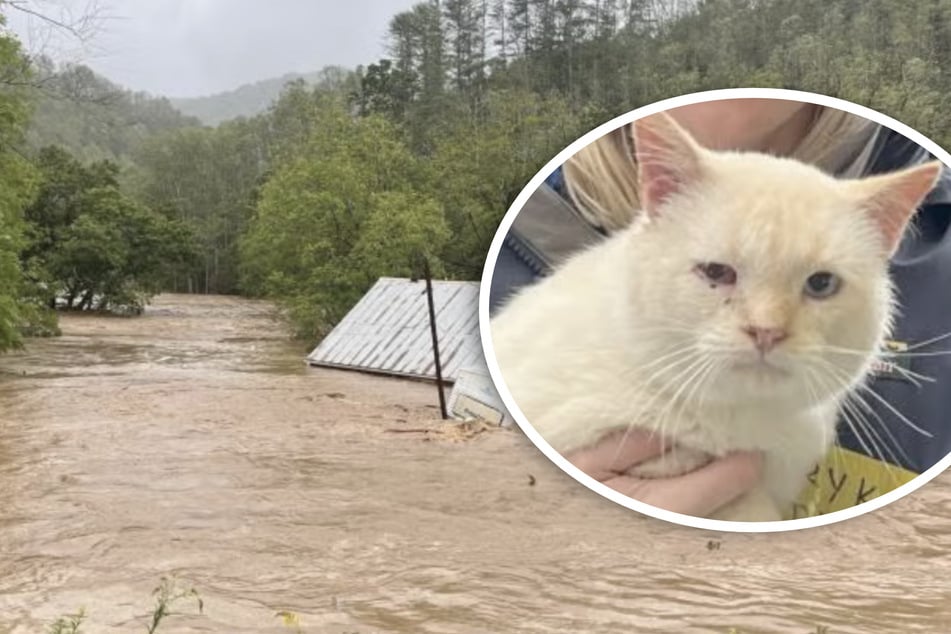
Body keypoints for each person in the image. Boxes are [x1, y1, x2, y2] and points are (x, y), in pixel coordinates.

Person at [488, 97, 951, 519]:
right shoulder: (510, 245)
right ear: (660, 188)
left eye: (820, 284)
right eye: (717, 274)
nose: (768, 326)